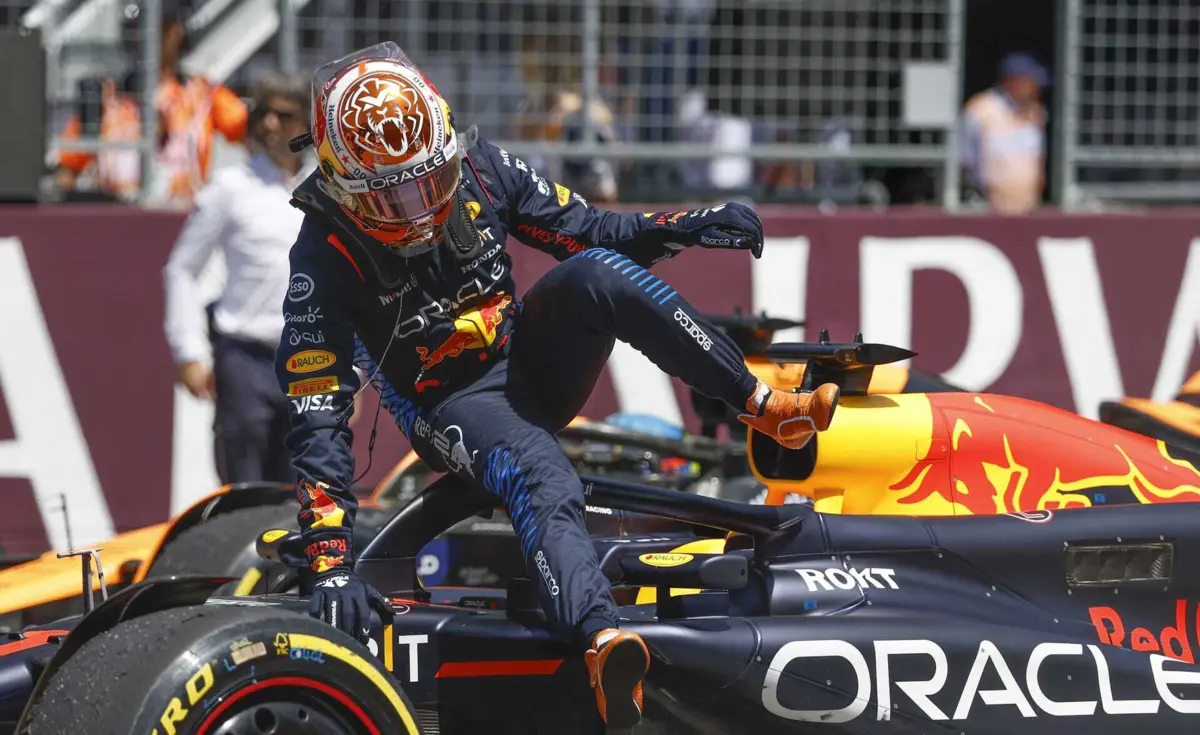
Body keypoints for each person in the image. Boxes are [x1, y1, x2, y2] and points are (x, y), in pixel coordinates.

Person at [277, 42, 840, 728]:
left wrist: (680, 225)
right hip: (450, 405)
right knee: (545, 476)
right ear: (343, 186)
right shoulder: (322, 256)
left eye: (429, 181)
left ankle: (763, 405)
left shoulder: (481, 166)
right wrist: (331, 561)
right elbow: (317, 410)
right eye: (393, 195)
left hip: (528, 359)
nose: (420, 208)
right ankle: (602, 641)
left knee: (596, 273)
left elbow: (588, 231)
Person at [164, 73, 313, 484]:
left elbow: (349, 281)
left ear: (307, 123)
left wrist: (351, 369)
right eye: (263, 113)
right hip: (246, 357)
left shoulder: (329, 189)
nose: (270, 124)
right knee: (244, 489)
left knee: (311, 491)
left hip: (313, 359)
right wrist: (189, 350)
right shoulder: (229, 187)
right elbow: (182, 268)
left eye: (284, 115)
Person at [53, 3, 247, 206]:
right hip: (117, 218)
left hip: (182, 218)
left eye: (158, 29)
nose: (144, 39)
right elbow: (67, 169)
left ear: (177, 32)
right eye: (138, 29)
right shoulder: (106, 99)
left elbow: (252, 133)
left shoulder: (203, 95)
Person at [959, 52, 1050, 213]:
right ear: (1012, 81)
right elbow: (965, 157)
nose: (1036, 89)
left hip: (1028, 205)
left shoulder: (1036, 111)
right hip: (987, 205)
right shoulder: (981, 109)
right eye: (1031, 83)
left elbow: (1038, 156)